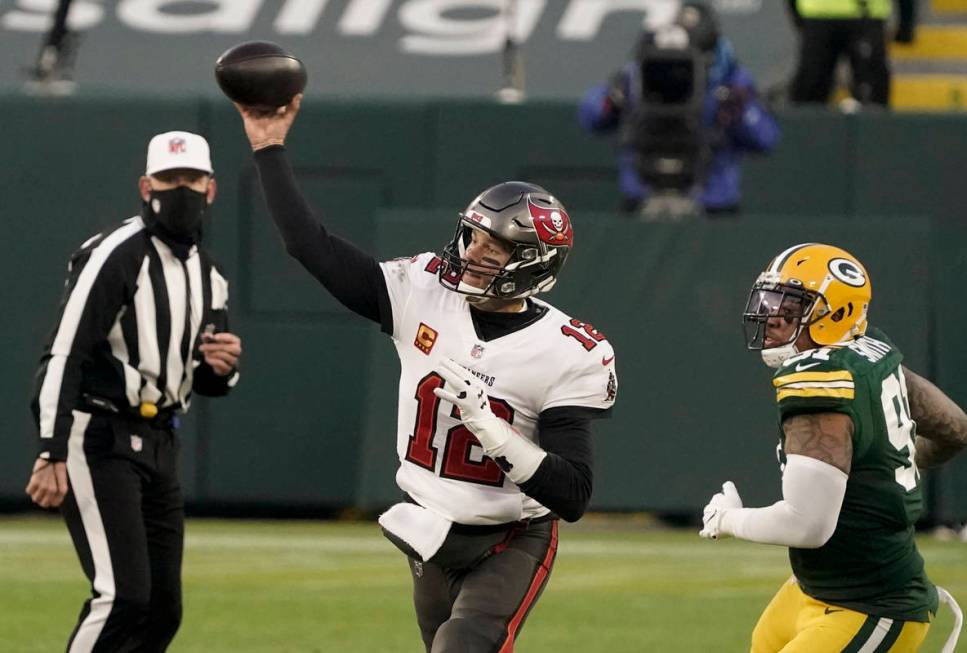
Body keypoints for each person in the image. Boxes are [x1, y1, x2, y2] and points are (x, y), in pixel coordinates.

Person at [233, 95, 617, 653]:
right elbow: (307, 246)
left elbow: (574, 495)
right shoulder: (423, 291)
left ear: (532, 263)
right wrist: (268, 148)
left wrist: (492, 430)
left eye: (496, 244)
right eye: (474, 234)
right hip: (432, 531)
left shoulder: (567, 350)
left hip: (510, 539)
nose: (474, 250)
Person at [25, 131, 242, 652]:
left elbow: (206, 375)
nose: (182, 190)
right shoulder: (116, 254)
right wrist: (51, 449)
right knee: (122, 597)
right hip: (99, 434)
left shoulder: (208, 275)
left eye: (192, 179)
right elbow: (64, 352)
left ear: (211, 188)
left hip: (161, 440)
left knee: (162, 611)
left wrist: (222, 365)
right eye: (170, 180)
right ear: (147, 186)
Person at [700, 243, 967, 652]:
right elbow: (956, 429)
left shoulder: (820, 383)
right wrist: (887, 467)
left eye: (790, 307)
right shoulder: (870, 356)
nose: (770, 316)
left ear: (837, 314)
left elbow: (807, 526)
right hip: (816, 588)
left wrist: (729, 520)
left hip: (871, 604)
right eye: (769, 300)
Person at [578, 1, 779, 217]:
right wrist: (613, 99)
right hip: (642, 195)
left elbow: (766, 138)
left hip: (712, 201)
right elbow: (590, 116)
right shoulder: (640, 72)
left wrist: (740, 112)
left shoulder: (732, 79)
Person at [788, 0, 916, 107]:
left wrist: (797, 15)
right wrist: (906, 22)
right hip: (861, 16)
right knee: (810, 93)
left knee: (811, 91)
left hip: (830, 15)